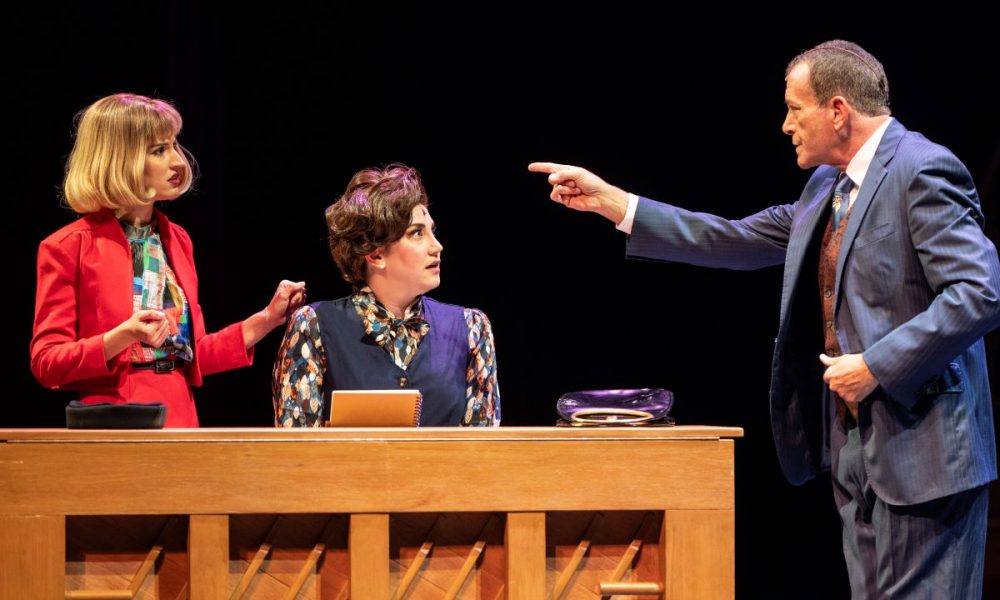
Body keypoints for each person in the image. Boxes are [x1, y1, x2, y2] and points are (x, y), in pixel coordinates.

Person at [530, 40, 1000, 599]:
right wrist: (615, 203)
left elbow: (977, 293)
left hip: (927, 455)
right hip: (857, 451)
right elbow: (734, 238)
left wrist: (877, 364)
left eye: (794, 109)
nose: (785, 125)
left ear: (838, 110)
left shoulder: (923, 169)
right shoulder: (827, 186)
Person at [31, 93, 306, 427]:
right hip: (115, 418)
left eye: (174, 145)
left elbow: (196, 353)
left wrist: (268, 318)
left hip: (180, 414)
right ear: (120, 159)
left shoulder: (176, 239)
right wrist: (123, 336)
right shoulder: (68, 246)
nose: (178, 161)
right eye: (159, 150)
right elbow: (47, 362)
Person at [272, 164, 500, 427]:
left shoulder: (471, 328)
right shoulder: (314, 326)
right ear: (375, 254)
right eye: (417, 233)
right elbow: (295, 445)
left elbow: (483, 444)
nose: (437, 246)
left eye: (432, 231)